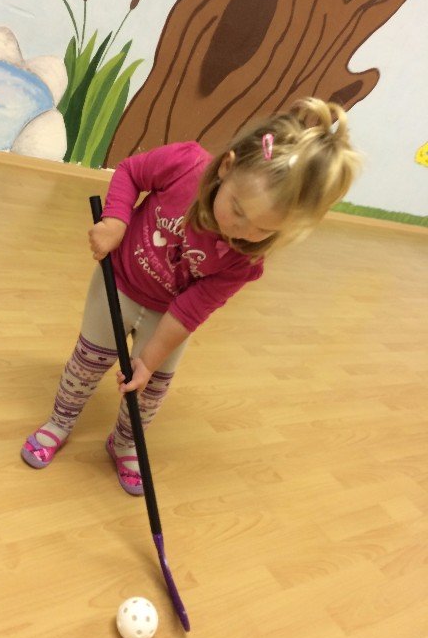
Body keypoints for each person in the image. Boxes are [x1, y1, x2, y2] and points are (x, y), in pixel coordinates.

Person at [21, 97, 361, 495]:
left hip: (169, 315)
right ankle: (60, 422)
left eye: (263, 229)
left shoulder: (246, 259)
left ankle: (125, 444)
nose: (241, 231)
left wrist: (148, 362)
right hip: (120, 283)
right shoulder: (186, 164)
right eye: (238, 209)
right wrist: (115, 221)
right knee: (87, 362)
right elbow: (131, 172)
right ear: (227, 167)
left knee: (150, 387)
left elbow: (190, 309)